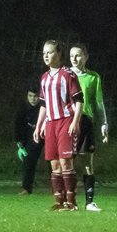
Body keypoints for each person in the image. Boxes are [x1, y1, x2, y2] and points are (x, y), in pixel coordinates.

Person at [32, 40, 83, 211]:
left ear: (59, 54)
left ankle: (71, 202)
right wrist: (39, 125)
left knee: (65, 163)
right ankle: (59, 201)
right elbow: (44, 104)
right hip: (51, 124)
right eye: (44, 53)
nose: (46, 56)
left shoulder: (68, 75)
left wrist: (75, 122)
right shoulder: (44, 78)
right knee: (54, 165)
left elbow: (78, 100)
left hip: (66, 121)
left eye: (50, 52)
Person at [69, 44, 110, 211]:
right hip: (69, 121)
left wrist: (104, 123)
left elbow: (99, 103)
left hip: (85, 122)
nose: (74, 58)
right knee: (67, 162)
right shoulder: (66, 75)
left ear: (85, 56)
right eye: (71, 55)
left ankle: (89, 202)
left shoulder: (93, 77)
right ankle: (69, 201)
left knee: (87, 163)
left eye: (78, 55)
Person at [13, 88, 45, 195]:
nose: (33, 99)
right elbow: (18, 125)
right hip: (29, 137)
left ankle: (58, 188)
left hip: (44, 134)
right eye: (30, 96)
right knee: (28, 159)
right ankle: (26, 188)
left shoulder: (43, 107)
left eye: (35, 96)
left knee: (53, 160)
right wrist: (19, 144)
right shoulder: (23, 108)